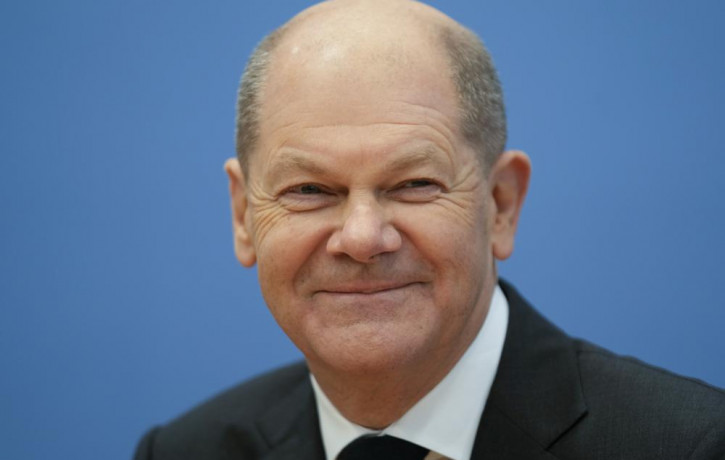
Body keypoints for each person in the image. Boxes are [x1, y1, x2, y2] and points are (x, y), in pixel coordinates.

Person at [134, 1, 725, 458]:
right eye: (310, 190)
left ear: (500, 205)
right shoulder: (187, 453)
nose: (362, 239)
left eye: (414, 184)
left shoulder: (689, 447)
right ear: (243, 215)